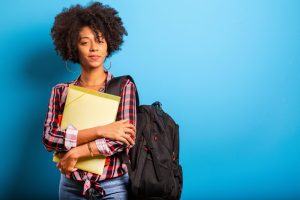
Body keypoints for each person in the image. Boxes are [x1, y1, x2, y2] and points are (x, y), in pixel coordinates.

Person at [42, 2, 137, 199]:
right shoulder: (61, 91)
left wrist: (76, 153)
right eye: (85, 42)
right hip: (70, 186)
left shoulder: (123, 86)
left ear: (109, 44)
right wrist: (101, 130)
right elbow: (49, 139)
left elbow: (122, 141)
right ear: (73, 47)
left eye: (100, 41)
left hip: (113, 186)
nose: (94, 48)